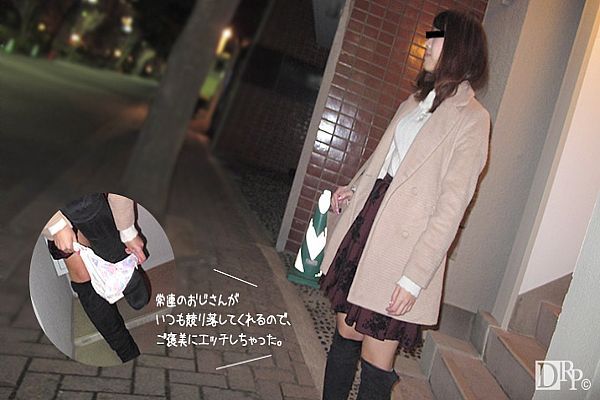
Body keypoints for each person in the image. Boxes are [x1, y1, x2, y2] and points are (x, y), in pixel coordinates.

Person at [319, 10, 490, 400]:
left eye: (437, 36)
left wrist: (414, 278)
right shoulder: (415, 101)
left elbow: (452, 207)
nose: (427, 43)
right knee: (345, 331)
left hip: (403, 246)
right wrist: (354, 188)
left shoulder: (473, 119)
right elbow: (383, 159)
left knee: (376, 355)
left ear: (459, 47)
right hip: (369, 221)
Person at [43, 193, 149, 363]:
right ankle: (125, 349)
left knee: (110, 249)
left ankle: (124, 269)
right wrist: (56, 226)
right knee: (82, 276)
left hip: (90, 205)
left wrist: (128, 232)